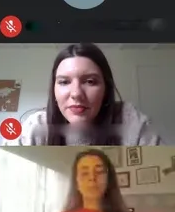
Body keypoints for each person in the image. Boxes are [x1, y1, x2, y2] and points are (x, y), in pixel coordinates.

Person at [19, 43, 161, 146]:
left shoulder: (130, 121)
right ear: (54, 90)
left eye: (90, 81)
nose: (76, 94)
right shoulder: (35, 128)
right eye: (64, 82)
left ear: (106, 89)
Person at [19, 150, 135, 212]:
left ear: (109, 180)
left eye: (99, 172)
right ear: (76, 183)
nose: (92, 178)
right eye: (84, 173)